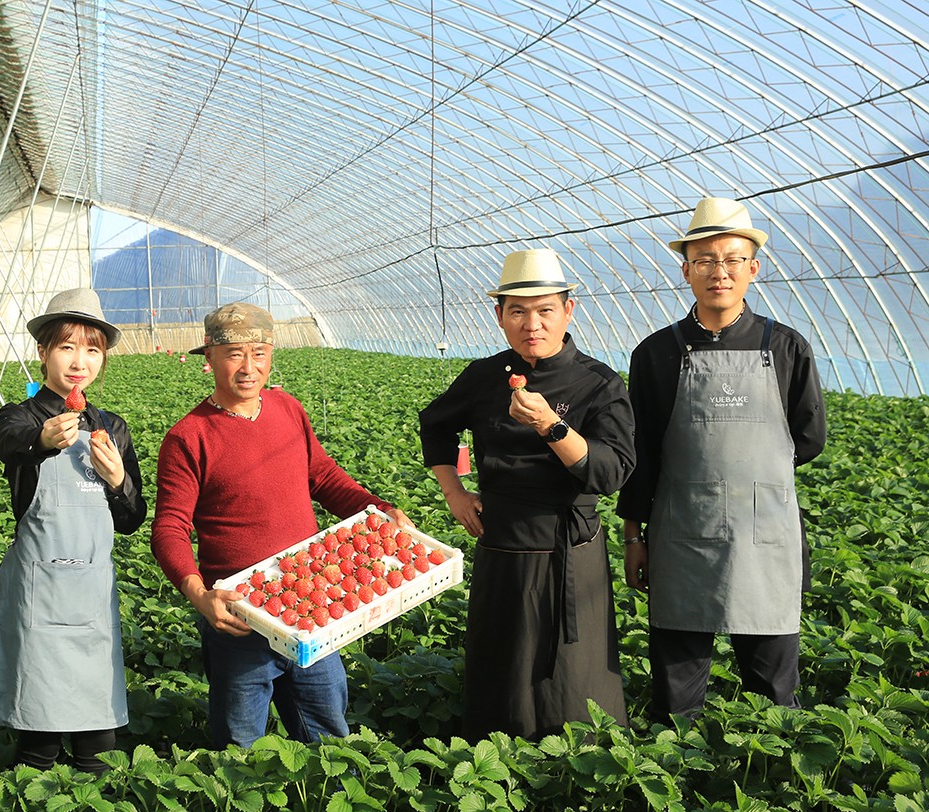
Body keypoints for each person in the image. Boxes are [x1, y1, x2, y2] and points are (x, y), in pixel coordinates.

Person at [151, 302, 412, 749]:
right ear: (209, 358)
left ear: (271, 354)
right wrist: (200, 594)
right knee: (239, 744)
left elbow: (325, 478)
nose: (248, 367)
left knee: (328, 733)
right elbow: (169, 528)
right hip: (241, 615)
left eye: (259, 352)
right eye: (234, 354)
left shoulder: (287, 408)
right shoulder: (188, 437)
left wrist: (379, 508)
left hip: (311, 601)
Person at [619, 197, 826, 721]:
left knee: (774, 692)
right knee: (677, 696)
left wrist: (751, 478)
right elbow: (639, 455)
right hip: (682, 539)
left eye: (732, 259)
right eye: (706, 260)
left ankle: (774, 792)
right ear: (685, 268)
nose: (720, 272)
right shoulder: (656, 353)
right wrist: (632, 536)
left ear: (753, 269)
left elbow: (807, 437)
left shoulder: (785, 348)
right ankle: (671, 792)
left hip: (766, 541)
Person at [418, 249, 634, 741]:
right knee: (503, 671)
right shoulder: (483, 376)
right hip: (502, 545)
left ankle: (580, 771)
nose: (530, 324)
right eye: (517, 311)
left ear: (568, 311)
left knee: (573, 680)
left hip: (569, 552)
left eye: (544, 310)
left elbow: (612, 472)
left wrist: (551, 426)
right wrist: (453, 491)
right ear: (499, 316)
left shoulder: (598, 383)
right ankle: (498, 768)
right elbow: (436, 425)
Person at [0, 289, 146, 772]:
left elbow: (133, 519)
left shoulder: (111, 428)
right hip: (39, 597)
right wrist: (42, 439)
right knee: (38, 745)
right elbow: (8, 442)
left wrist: (118, 481)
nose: (80, 361)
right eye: (67, 347)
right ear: (42, 351)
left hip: (91, 599)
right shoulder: (20, 416)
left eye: (92, 349)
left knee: (98, 745)